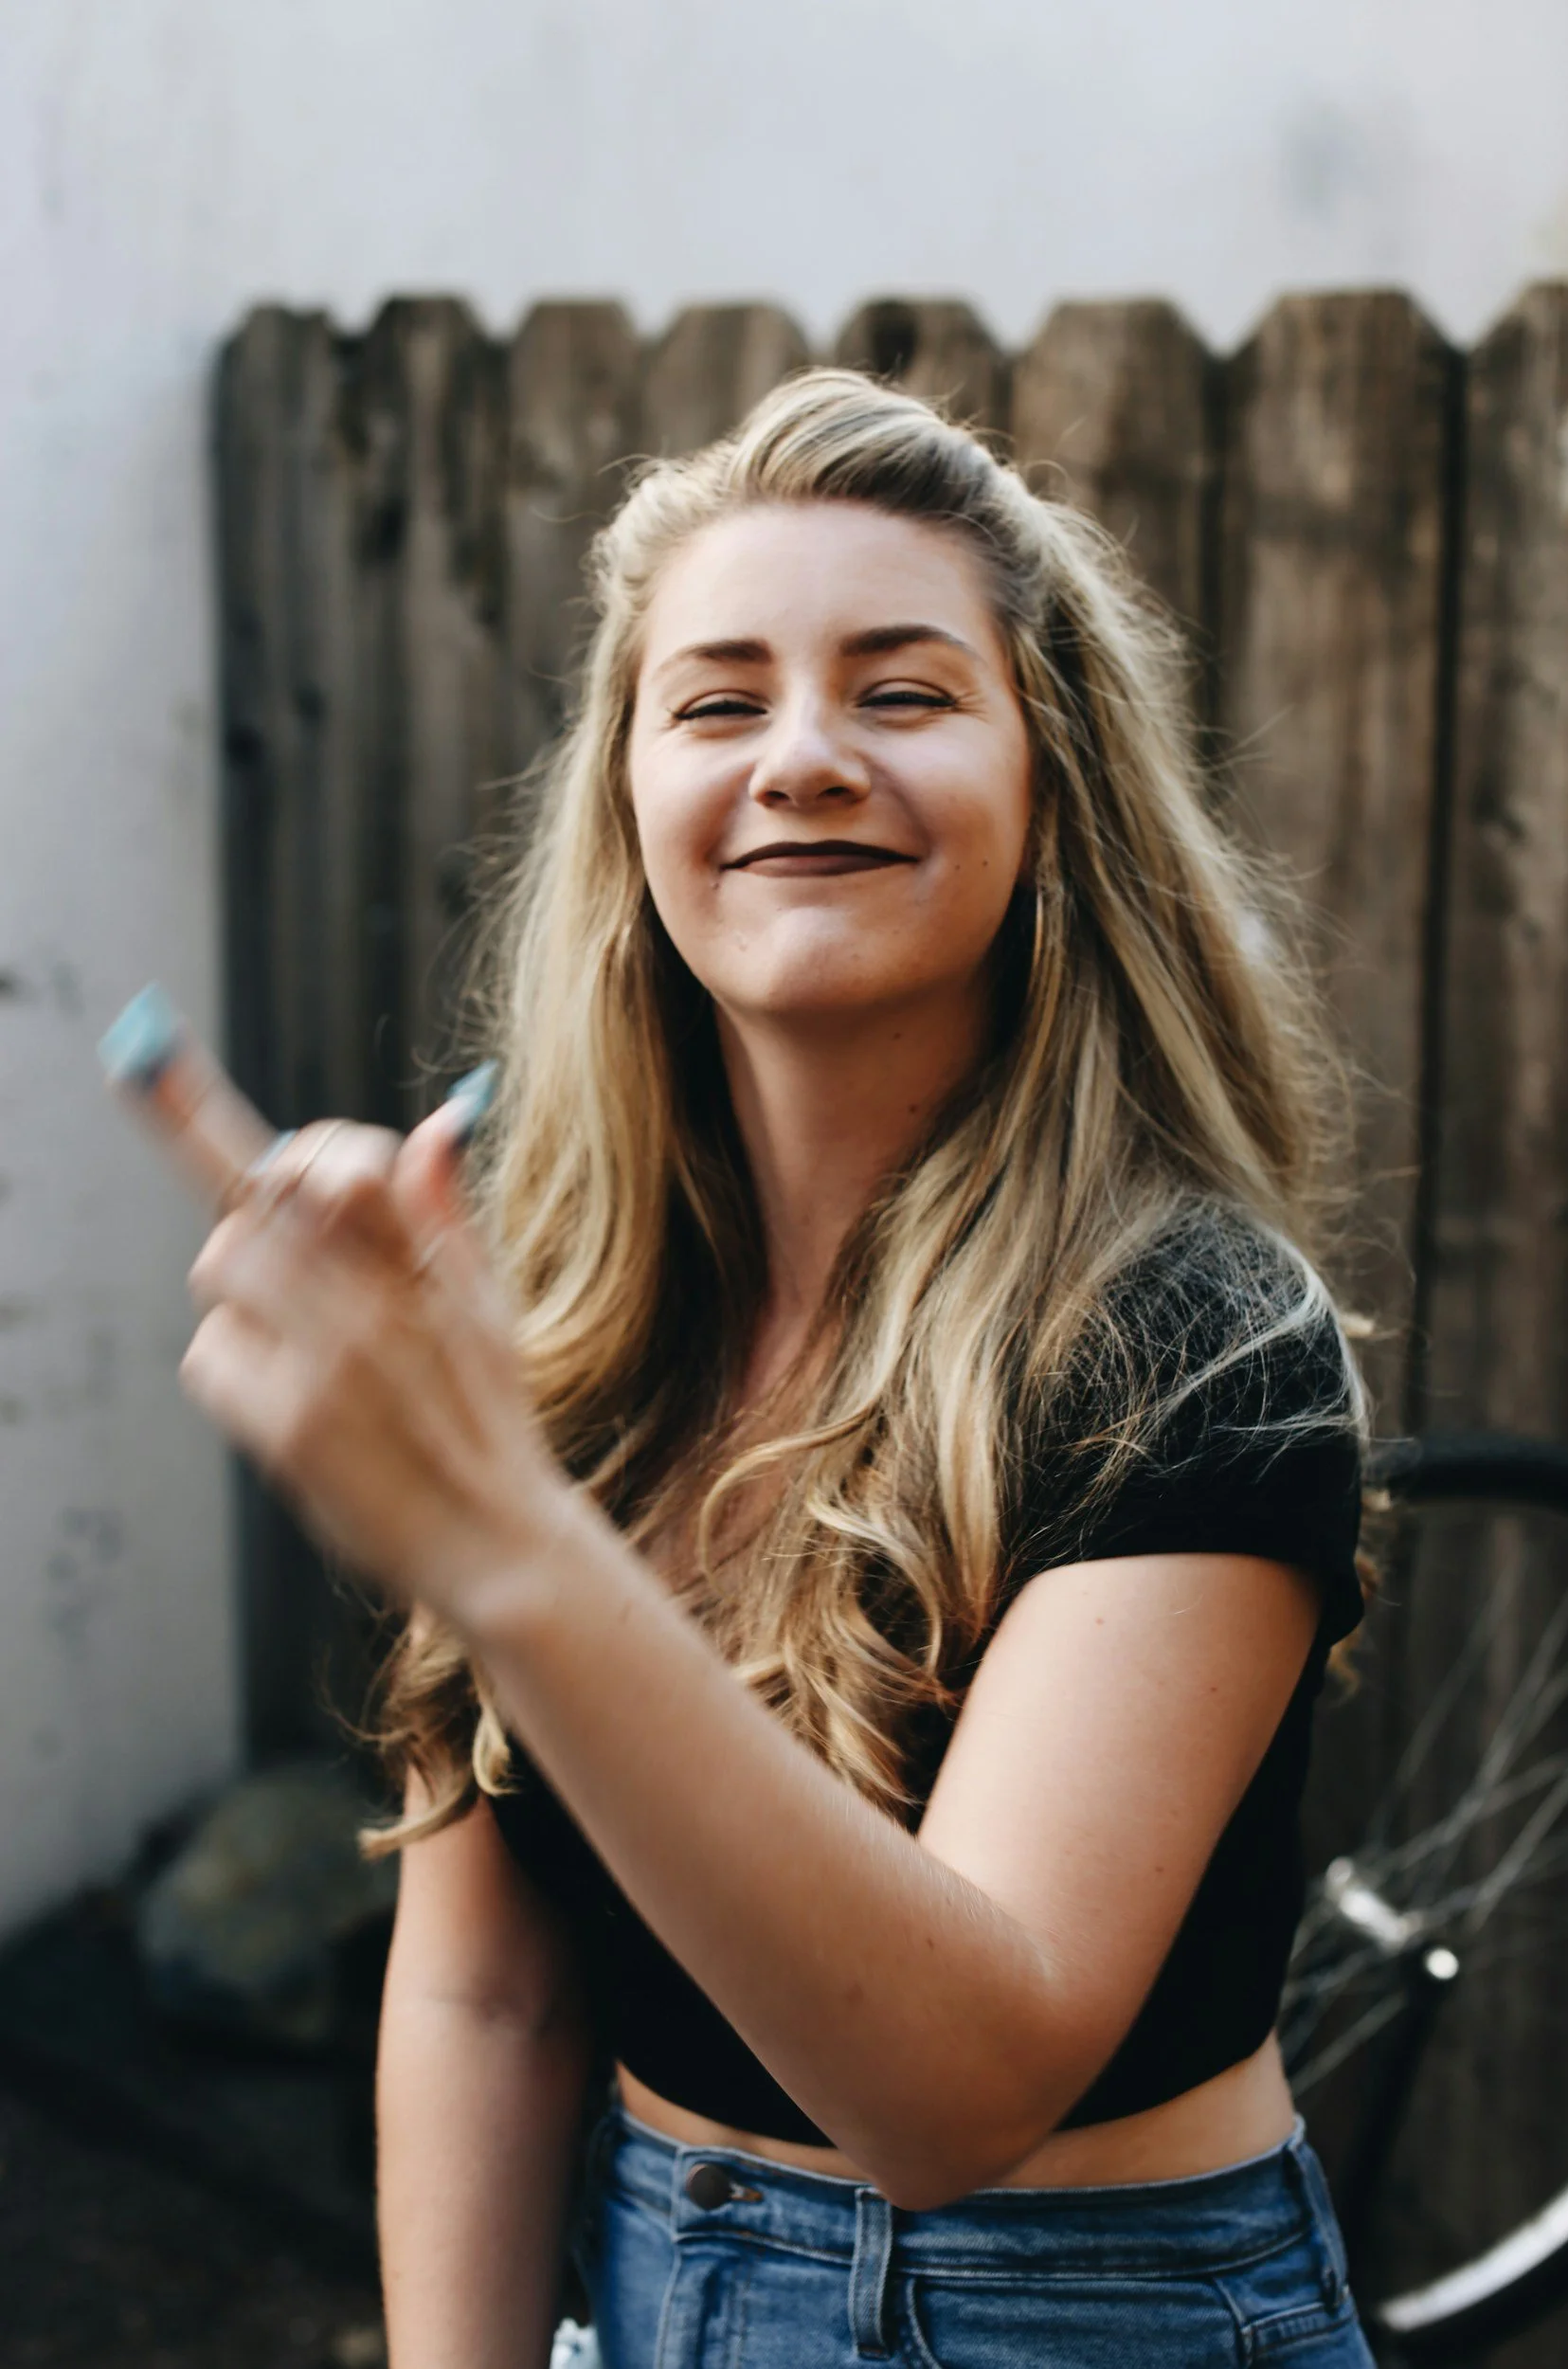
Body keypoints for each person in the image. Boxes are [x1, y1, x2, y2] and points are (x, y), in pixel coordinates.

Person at [180, 370, 1375, 2368]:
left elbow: (948, 2091)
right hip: (655, 2283)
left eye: (901, 692)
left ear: (1051, 790)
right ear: (628, 809)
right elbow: (487, 1993)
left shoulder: (1197, 1338)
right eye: (718, 704)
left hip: (1087, 2314)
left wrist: (496, 1532)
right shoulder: (552, 1310)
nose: (802, 758)